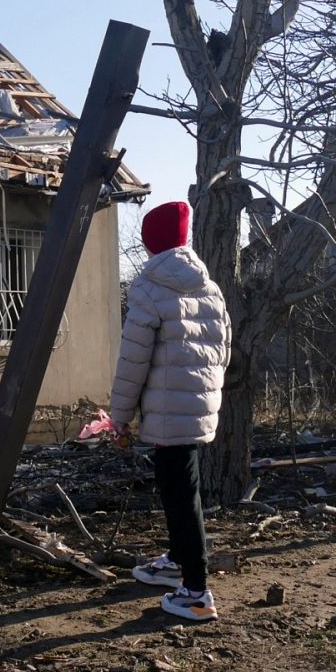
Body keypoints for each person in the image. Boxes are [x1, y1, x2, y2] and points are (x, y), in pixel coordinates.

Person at [109, 200, 230, 622]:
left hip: (166, 411)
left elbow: (132, 360)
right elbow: (223, 352)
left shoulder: (147, 289)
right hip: (198, 408)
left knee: (181, 497)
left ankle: (196, 591)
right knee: (180, 488)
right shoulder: (209, 288)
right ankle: (178, 562)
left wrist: (119, 416)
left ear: (151, 243)